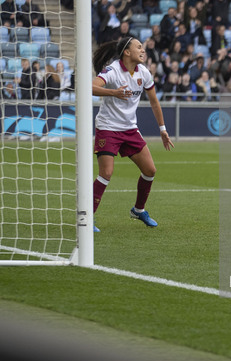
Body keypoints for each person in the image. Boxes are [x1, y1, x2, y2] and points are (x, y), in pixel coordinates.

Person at [92, 36, 174, 230]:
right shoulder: (112, 71)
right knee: (106, 173)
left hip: (130, 129)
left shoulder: (143, 72)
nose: (143, 50)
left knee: (150, 170)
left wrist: (162, 129)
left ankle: (138, 210)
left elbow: (154, 102)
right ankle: (87, 216)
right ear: (127, 52)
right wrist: (114, 93)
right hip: (108, 128)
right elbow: (91, 87)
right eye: (139, 47)